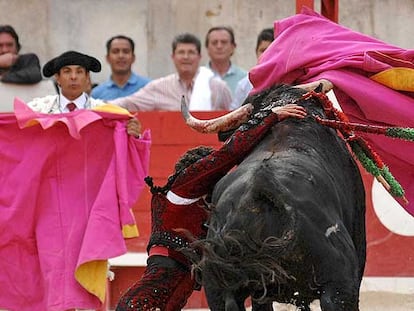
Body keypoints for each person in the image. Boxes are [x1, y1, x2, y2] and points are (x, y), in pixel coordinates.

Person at [115, 103, 307, 311]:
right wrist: (270, 116)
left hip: (170, 287)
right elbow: (227, 155)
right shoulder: (186, 185)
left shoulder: (181, 198)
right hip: (155, 289)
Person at [26, 50, 141, 136]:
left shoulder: (103, 111)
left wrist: (134, 136)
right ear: (58, 78)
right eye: (67, 72)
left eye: (79, 72)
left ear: (87, 77)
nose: (73, 77)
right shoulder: (38, 109)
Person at [111, 32, 232, 111]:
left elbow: (234, 118)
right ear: (173, 57)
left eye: (191, 52)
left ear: (199, 57)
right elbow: (129, 103)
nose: (186, 57)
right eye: (181, 52)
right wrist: (96, 105)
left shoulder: (218, 87)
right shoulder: (158, 87)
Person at [91, 35, 150, 100]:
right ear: (107, 58)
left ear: (133, 57)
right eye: (115, 51)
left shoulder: (148, 87)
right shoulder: (96, 94)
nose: (121, 56)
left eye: (126, 51)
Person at [230, 27, 274, 110]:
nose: (266, 55)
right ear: (256, 52)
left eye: (271, 50)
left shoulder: (290, 81)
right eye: (263, 50)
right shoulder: (244, 85)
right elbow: (234, 115)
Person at [205, 26, 247, 96]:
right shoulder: (198, 78)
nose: (219, 46)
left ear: (233, 47)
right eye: (214, 43)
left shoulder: (245, 78)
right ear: (207, 48)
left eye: (224, 42)